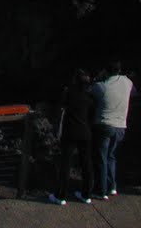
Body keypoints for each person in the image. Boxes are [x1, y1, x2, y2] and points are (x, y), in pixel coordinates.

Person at [50, 68, 95, 205]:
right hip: (85, 132)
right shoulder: (90, 96)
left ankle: (60, 195)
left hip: (70, 132)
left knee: (65, 164)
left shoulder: (69, 93)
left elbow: (60, 108)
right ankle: (86, 194)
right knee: (87, 164)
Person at [94, 61, 134, 199]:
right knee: (111, 156)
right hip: (121, 125)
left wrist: (97, 77)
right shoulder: (128, 82)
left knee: (102, 158)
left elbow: (90, 91)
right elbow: (134, 93)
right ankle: (112, 186)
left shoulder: (102, 86)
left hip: (105, 123)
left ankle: (101, 189)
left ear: (106, 71)